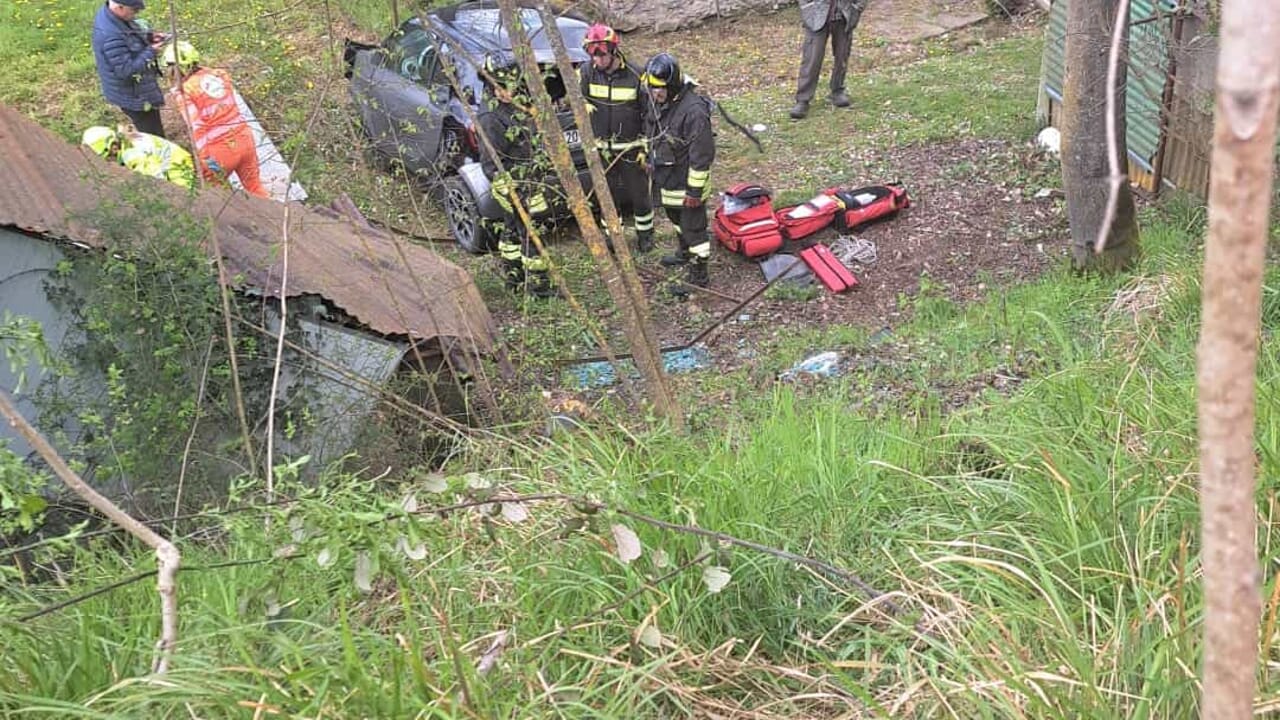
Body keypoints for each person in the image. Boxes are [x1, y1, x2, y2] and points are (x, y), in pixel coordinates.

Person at [477, 57, 557, 299]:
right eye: (501, 86)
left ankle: (514, 278)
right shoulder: (490, 117)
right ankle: (540, 289)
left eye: (510, 86)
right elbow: (491, 165)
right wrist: (514, 193)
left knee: (512, 233)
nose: (507, 92)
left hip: (527, 179)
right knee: (533, 232)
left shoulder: (515, 103)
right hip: (514, 185)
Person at [641, 53, 714, 292]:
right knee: (677, 221)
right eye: (651, 88)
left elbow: (702, 156)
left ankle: (699, 275)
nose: (654, 93)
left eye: (659, 89)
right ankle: (684, 253)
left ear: (672, 85)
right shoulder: (660, 102)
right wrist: (648, 157)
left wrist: (694, 192)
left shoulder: (694, 111)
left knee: (694, 231)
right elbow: (652, 131)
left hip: (687, 183)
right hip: (667, 179)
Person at [579, 23, 655, 254]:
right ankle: (614, 236)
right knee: (607, 196)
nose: (597, 58)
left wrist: (647, 148)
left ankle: (645, 235)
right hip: (601, 148)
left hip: (631, 148)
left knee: (639, 194)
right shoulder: (586, 72)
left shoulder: (635, 74)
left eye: (601, 53)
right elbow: (579, 103)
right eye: (592, 53)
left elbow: (649, 114)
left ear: (613, 50)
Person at [161, 40, 270, 199]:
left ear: (174, 68)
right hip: (244, 138)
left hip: (218, 151)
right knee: (255, 186)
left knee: (218, 195)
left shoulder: (184, 92)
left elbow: (195, 125)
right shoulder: (219, 75)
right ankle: (275, 213)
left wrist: (205, 158)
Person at [92, 0, 168, 138]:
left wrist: (149, 37)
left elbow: (129, 37)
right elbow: (126, 71)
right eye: (134, 10)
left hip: (137, 90)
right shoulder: (111, 36)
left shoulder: (113, 16)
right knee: (152, 134)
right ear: (120, 7)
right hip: (133, 96)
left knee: (153, 123)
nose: (137, 13)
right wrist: (151, 52)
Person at [789, 0, 866, 120]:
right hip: (815, 16)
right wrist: (807, 8)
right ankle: (803, 99)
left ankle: (837, 91)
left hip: (844, 15)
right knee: (812, 59)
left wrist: (857, 8)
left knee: (842, 57)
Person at [81, 125, 196, 189]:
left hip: (178, 169)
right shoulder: (126, 135)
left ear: (113, 148)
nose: (107, 161)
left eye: (106, 157)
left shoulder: (133, 157)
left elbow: (158, 180)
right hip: (177, 156)